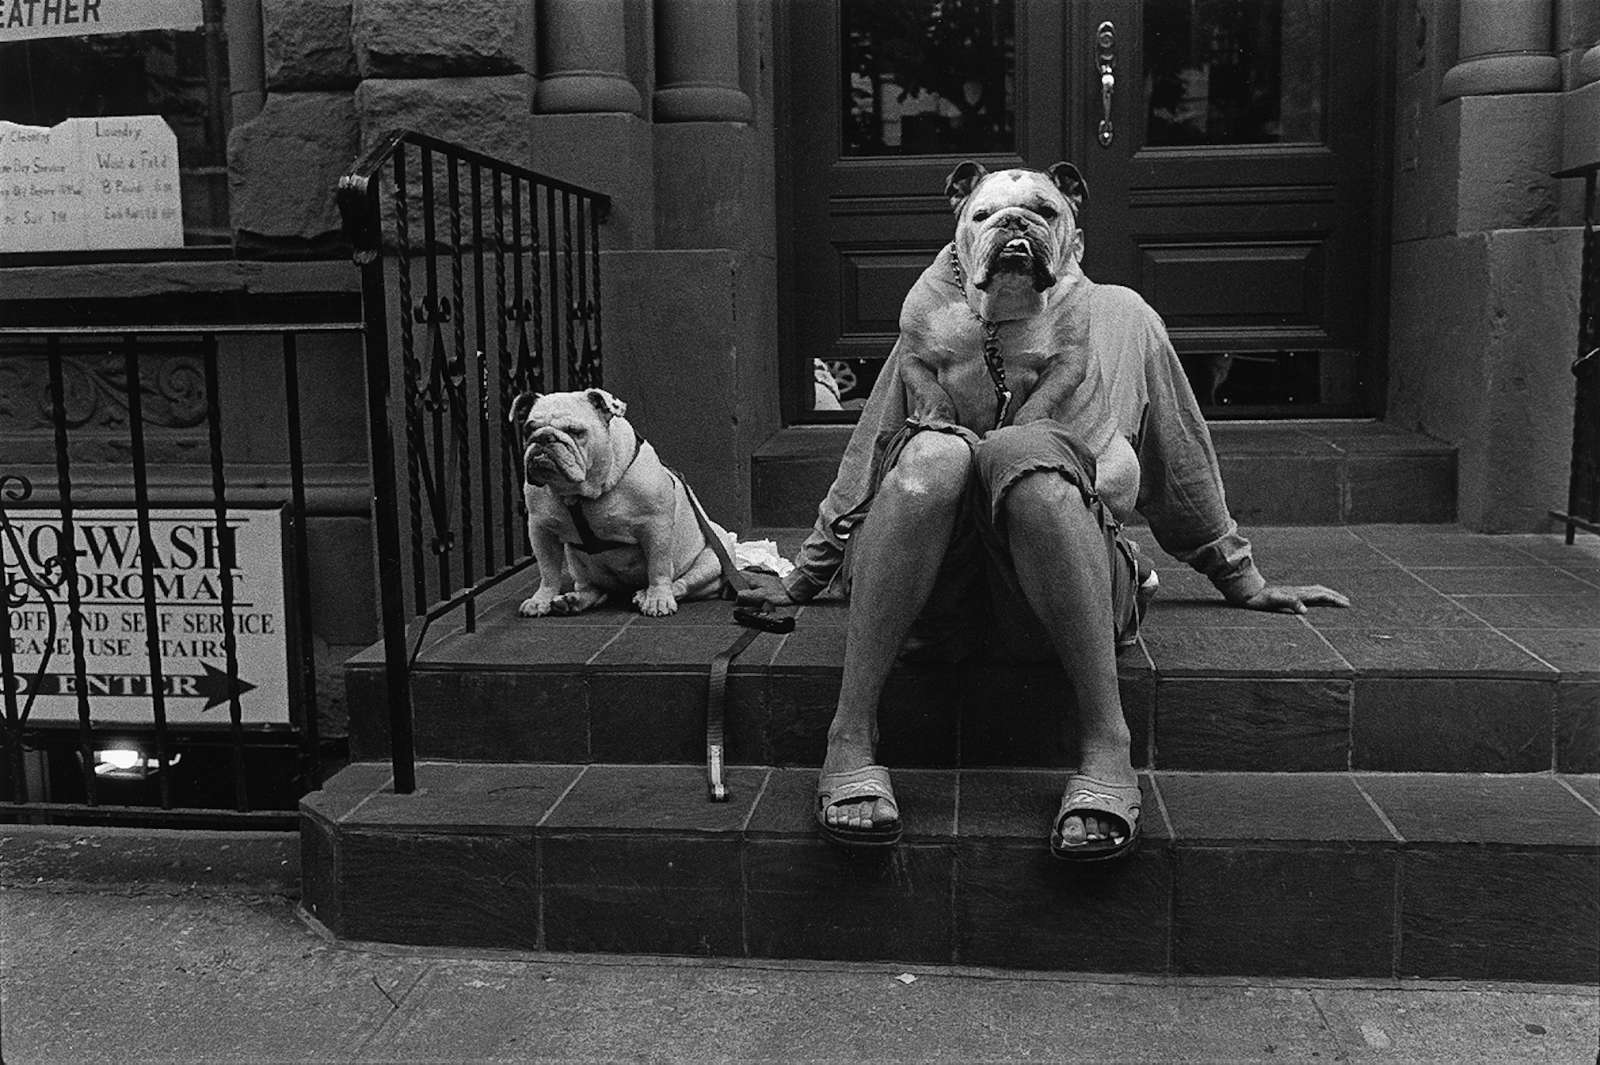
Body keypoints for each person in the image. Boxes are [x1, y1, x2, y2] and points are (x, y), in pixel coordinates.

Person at [741, 160, 1348, 859]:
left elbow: (1178, 461)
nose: (1014, 232)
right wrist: (803, 576)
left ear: (1076, 241)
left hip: (1061, 584)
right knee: (933, 457)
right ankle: (849, 730)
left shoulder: (1123, 316)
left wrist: (1240, 576)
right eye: (989, 218)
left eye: (1041, 215)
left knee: (1030, 462)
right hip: (939, 596)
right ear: (961, 239)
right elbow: (873, 450)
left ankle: (1106, 745)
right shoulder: (942, 317)